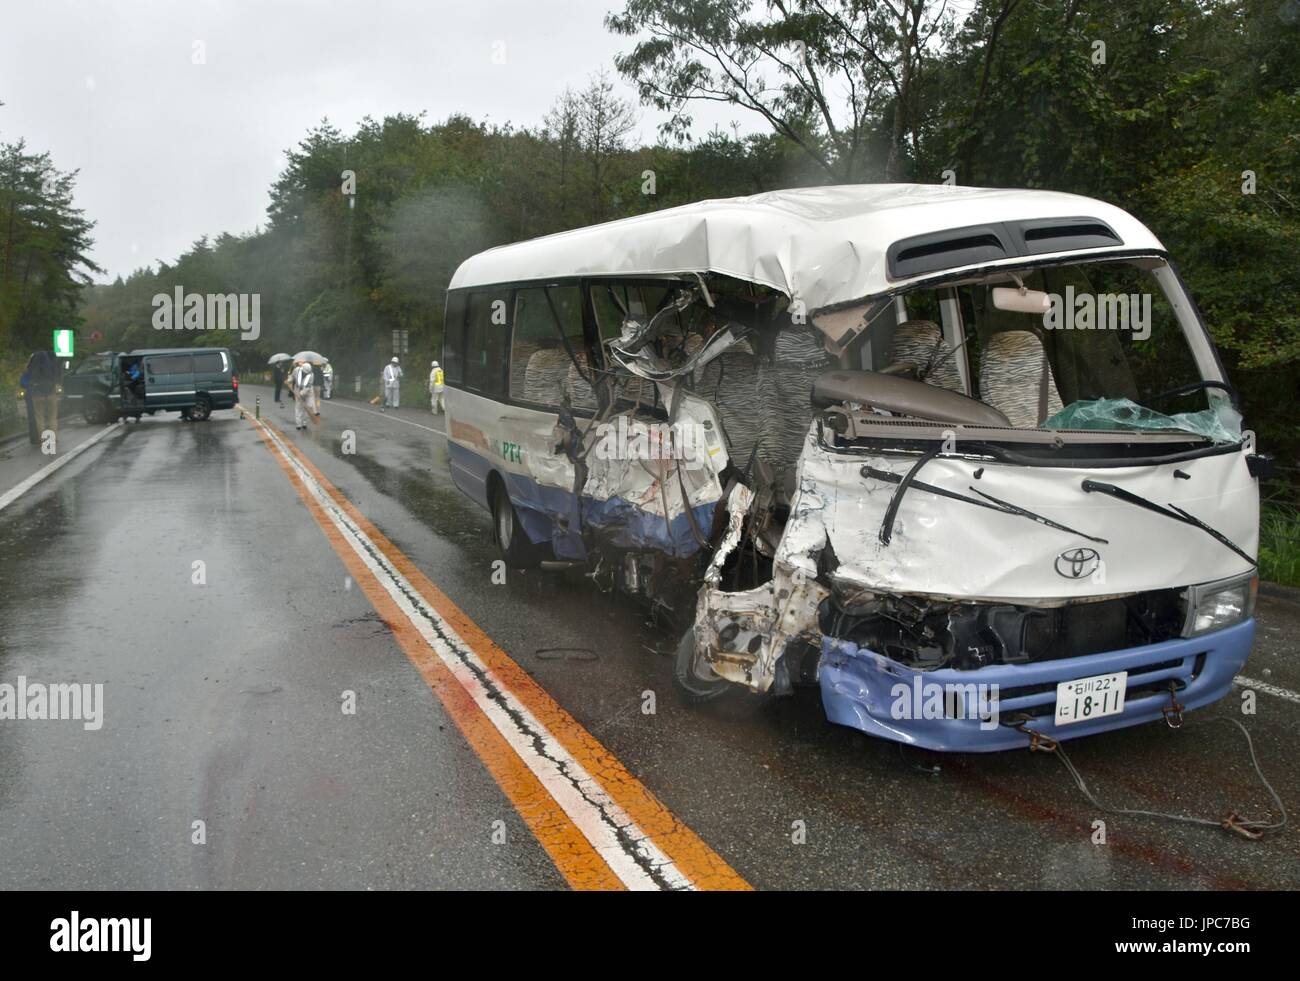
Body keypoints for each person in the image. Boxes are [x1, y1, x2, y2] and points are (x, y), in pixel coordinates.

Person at [22, 351, 61, 445]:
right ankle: (54, 438)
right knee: (52, 417)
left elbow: (24, 380)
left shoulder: (31, 366)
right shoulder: (51, 365)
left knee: (40, 417)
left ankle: (43, 439)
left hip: (37, 395)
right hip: (51, 394)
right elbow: (58, 376)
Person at [291, 359, 315, 430]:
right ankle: (298, 424)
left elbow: (308, 386)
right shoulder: (296, 370)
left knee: (308, 407)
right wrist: (289, 380)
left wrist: (302, 393)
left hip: (308, 392)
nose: (306, 374)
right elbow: (292, 377)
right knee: (298, 407)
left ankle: (304, 423)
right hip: (298, 390)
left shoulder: (311, 375)